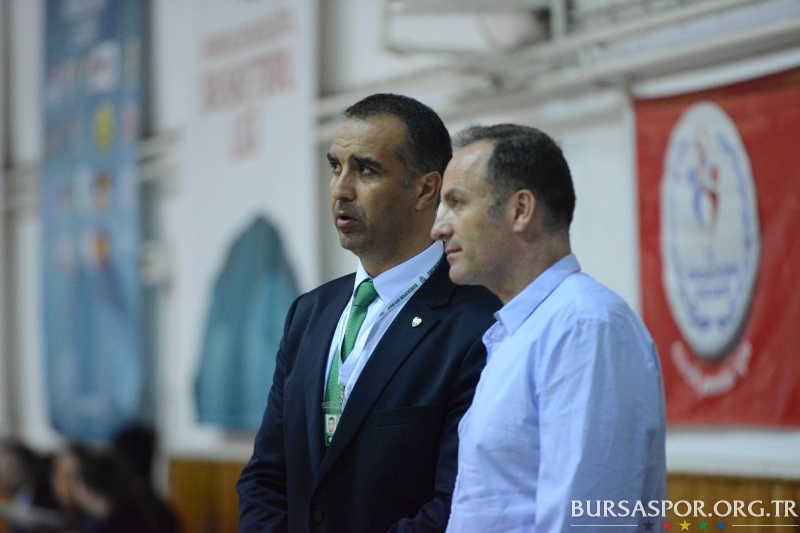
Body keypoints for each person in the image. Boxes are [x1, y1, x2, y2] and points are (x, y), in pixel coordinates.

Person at [237, 93, 501, 532]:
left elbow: (456, 503)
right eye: (335, 167)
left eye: (366, 170)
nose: (341, 189)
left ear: (425, 189)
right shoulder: (310, 313)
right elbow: (265, 477)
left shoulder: (479, 324)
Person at [431, 124, 667, 532]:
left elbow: (587, 522)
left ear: (521, 210)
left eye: (457, 203)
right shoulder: (519, 331)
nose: (439, 227)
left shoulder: (585, 327)